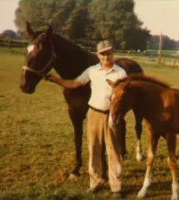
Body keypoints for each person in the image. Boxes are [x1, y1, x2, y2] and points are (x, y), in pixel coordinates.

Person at [47, 40, 126, 197]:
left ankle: (116, 187)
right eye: (102, 54)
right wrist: (56, 80)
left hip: (111, 114)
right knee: (94, 149)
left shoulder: (121, 73)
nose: (106, 56)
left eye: (109, 53)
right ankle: (95, 182)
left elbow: (124, 96)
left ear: (113, 53)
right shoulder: (92, 71)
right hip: (93, 114)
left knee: (113, 150)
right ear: (98, 55)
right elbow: (75, 83)